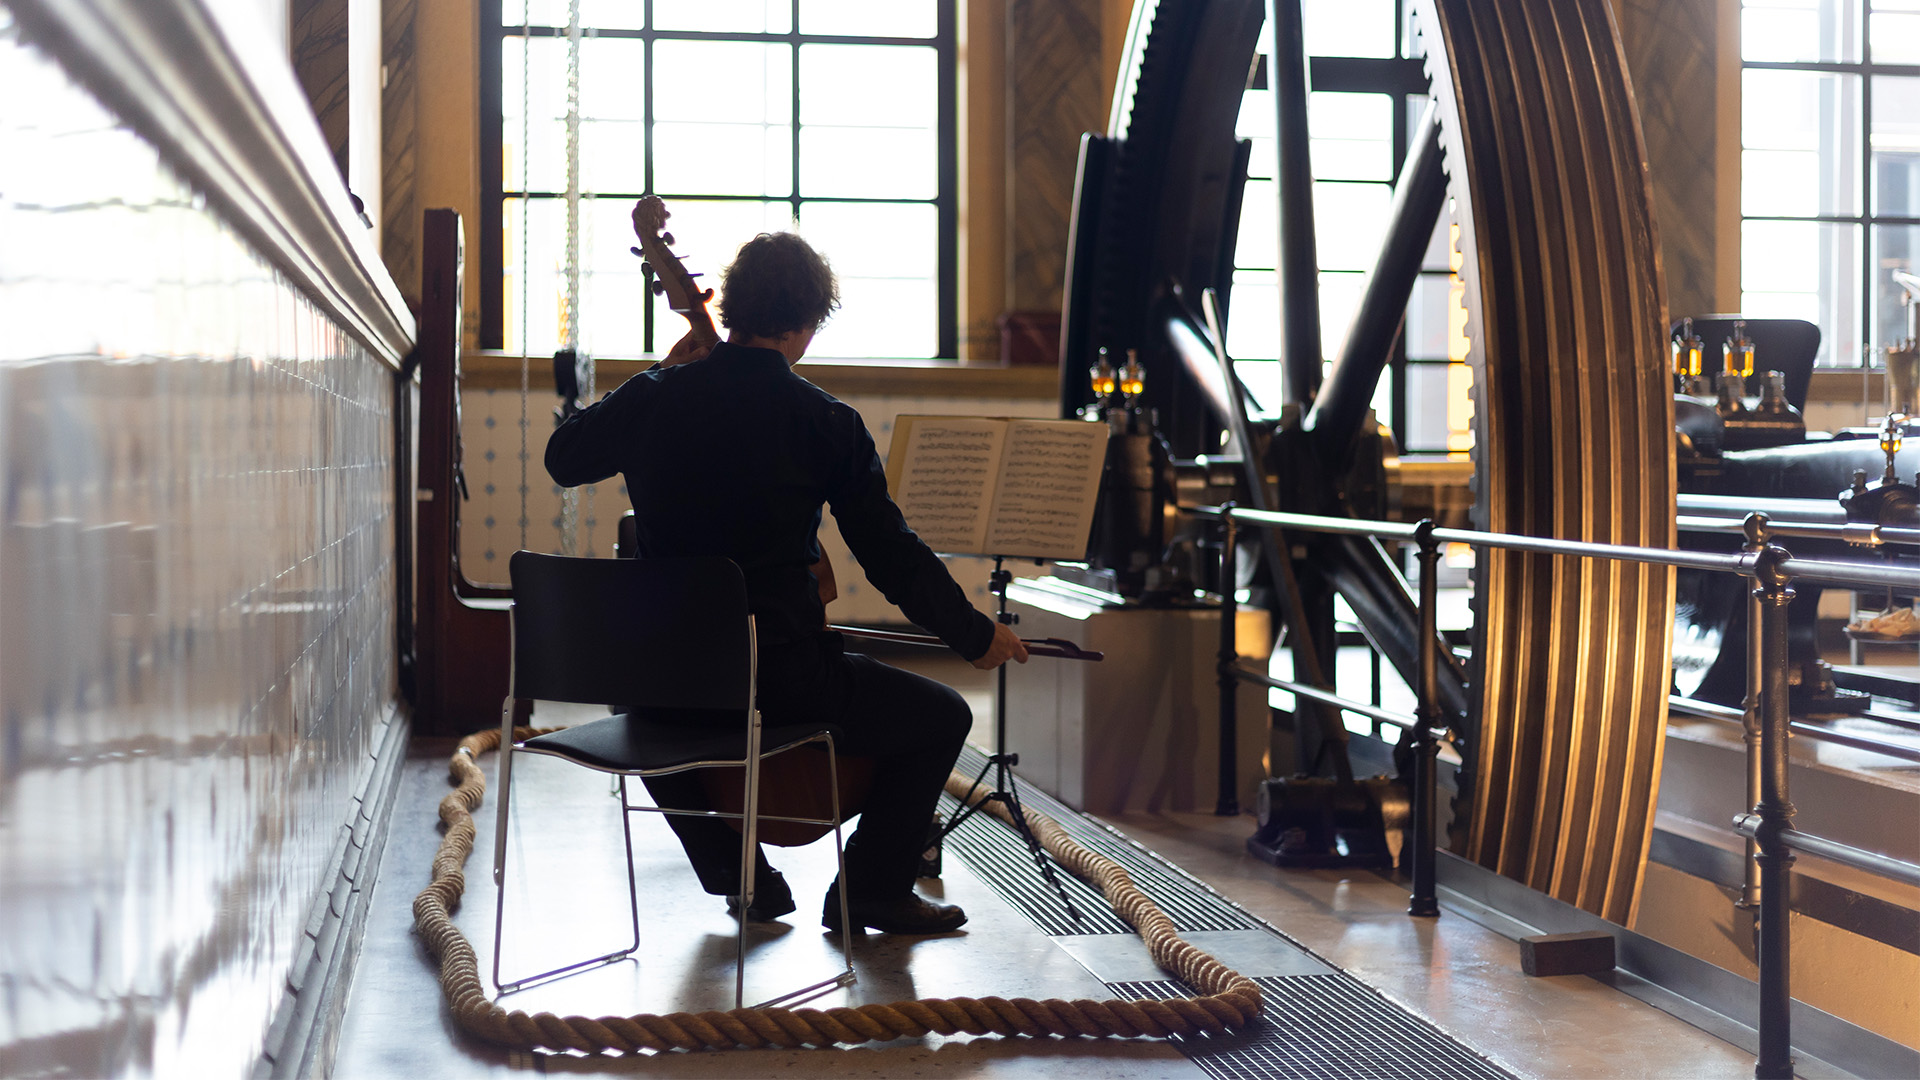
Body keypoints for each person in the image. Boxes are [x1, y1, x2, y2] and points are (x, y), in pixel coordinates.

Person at [545, 220, 1027, 935]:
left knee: (645, 710)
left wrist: (658, 376)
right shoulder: (825, 422)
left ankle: (731, 871)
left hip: (666, 682)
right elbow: (888, 554)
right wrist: (971, 633)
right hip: (778, 681)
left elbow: (564, 458)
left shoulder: (655, 396)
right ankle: (870, 888)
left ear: (731, 311)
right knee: (944, 716)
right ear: (806, 325)